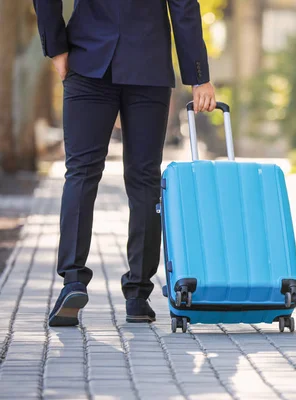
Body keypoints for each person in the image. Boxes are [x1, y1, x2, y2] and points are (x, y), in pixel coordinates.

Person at [32, 0, 217, 326]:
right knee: (144, 177)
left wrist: (56, 47)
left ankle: (73, 279)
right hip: (148, 63)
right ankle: (138, 294)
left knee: (81, 172)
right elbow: (183, 4)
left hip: (88, 57)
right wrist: (198, 75)